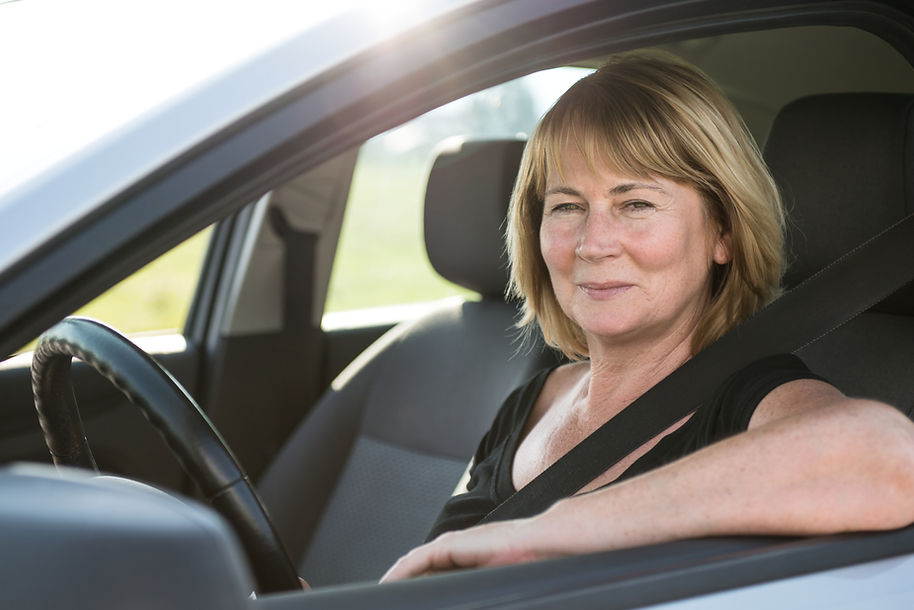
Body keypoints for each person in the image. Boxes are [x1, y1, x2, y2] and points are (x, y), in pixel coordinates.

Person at [381, 53, 914, 581]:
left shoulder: (751, 401)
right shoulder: (532, 402)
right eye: (567, 206)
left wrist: (543, 533)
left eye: (635, 203)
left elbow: (887, 459)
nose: (592, 244)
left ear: (723, 233)